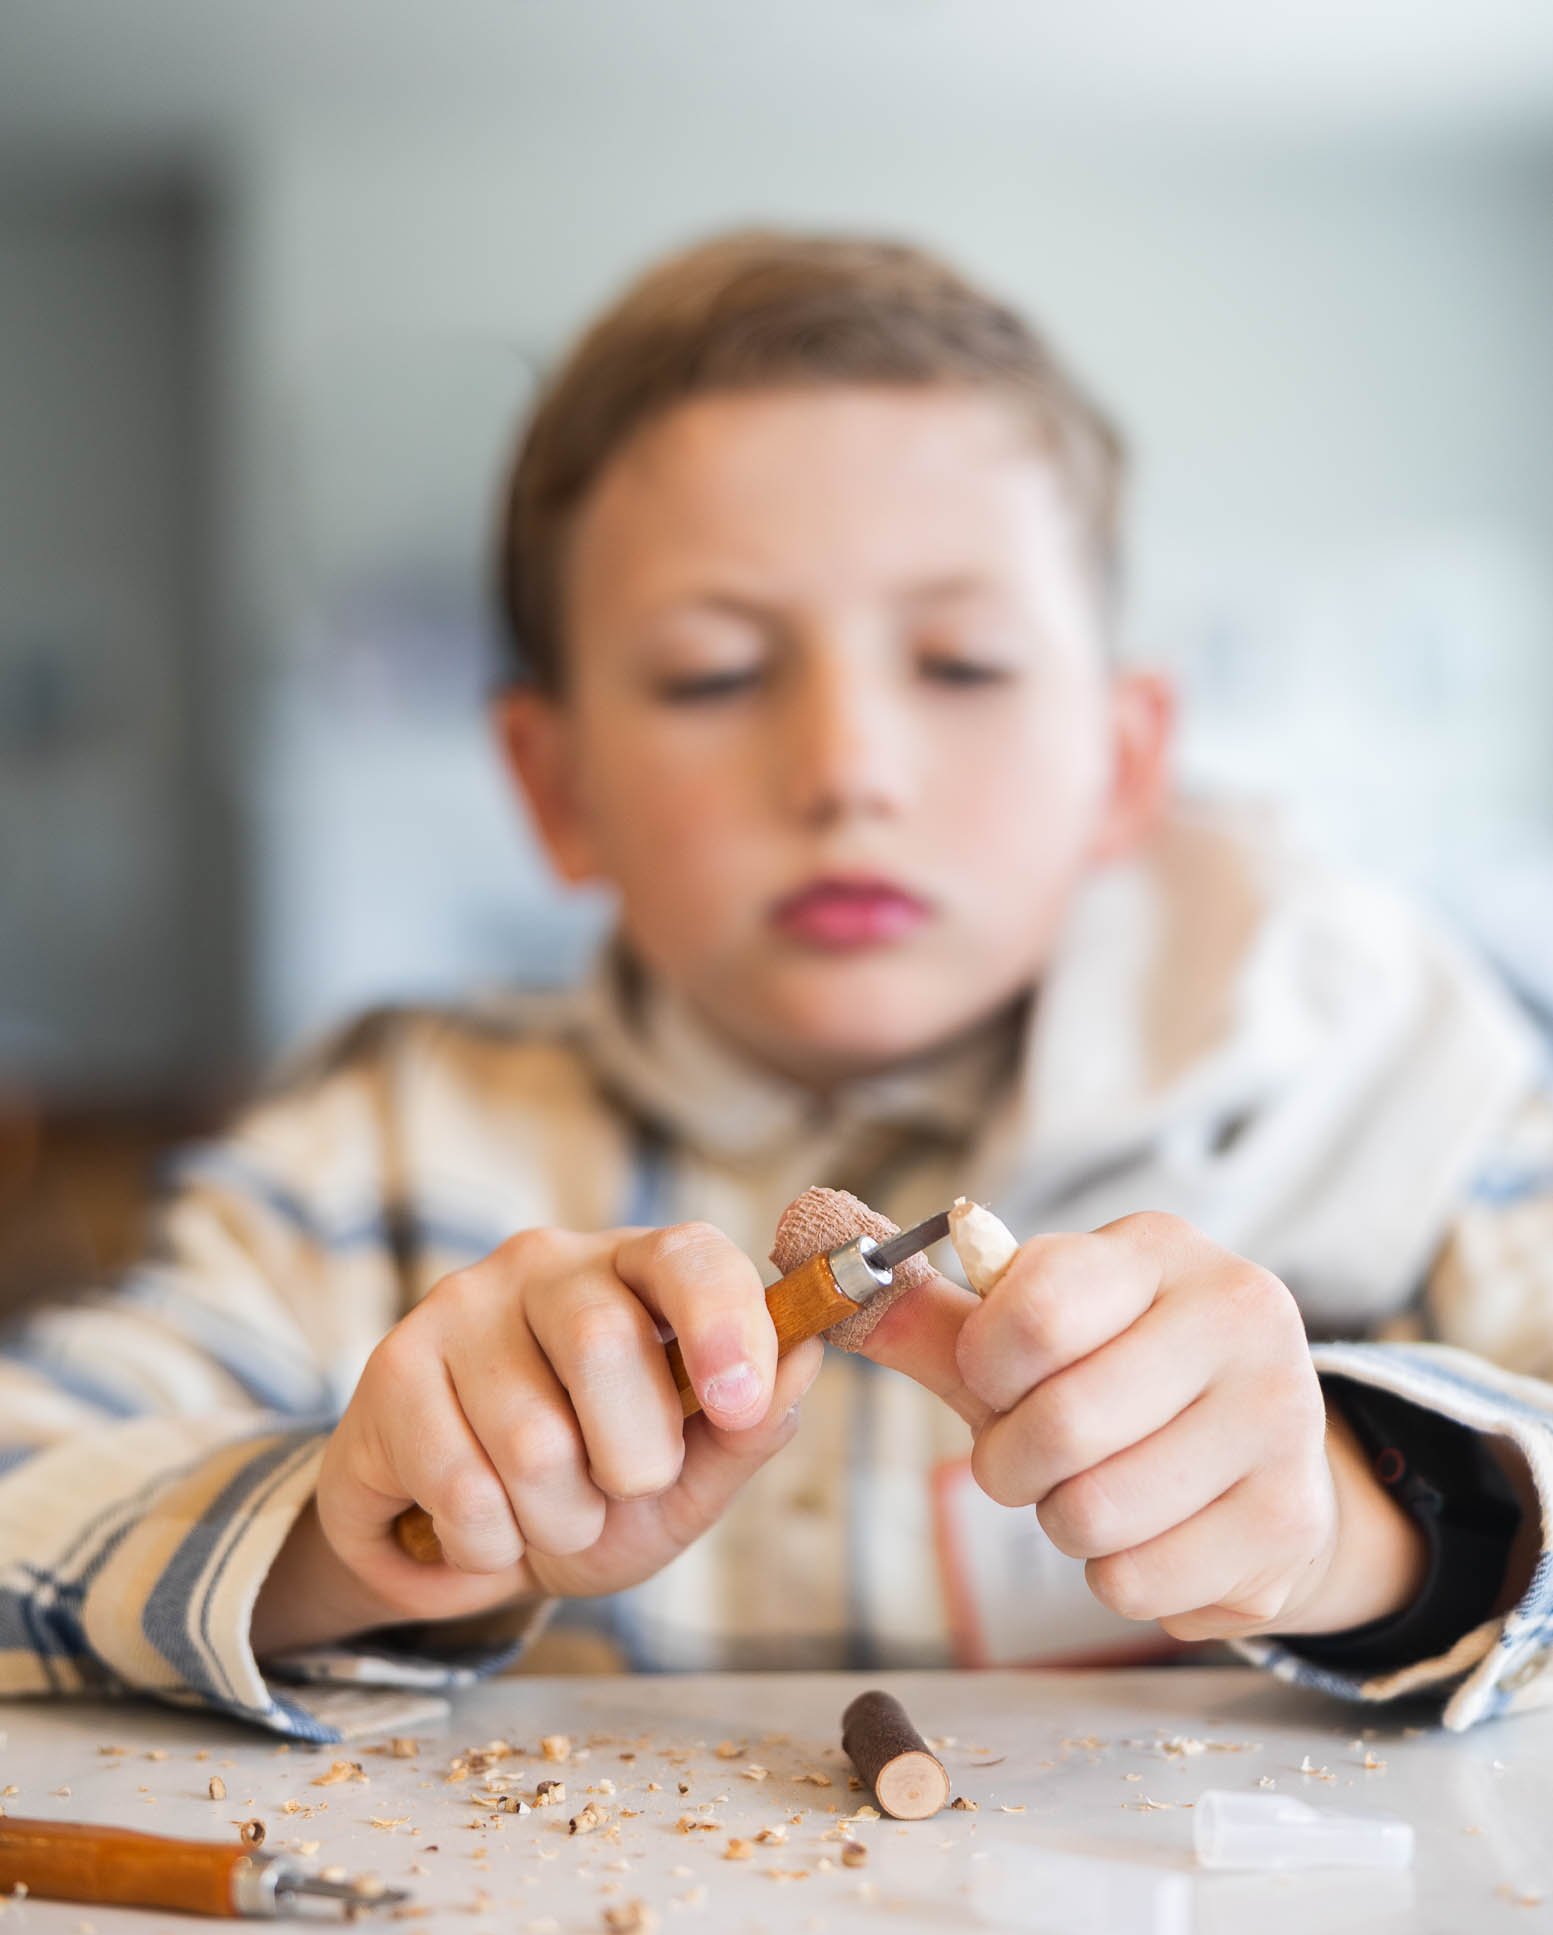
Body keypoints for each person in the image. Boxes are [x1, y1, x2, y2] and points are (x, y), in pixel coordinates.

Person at [4, 231, 1550, 1746]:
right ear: (555, 786)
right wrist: (353, 1535)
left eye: (959, 665)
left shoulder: (1385, 1092)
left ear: (1122, 757)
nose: (847, 772)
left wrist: (1362, 1533)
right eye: (713, 676)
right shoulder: (374, 1151)